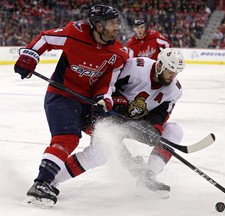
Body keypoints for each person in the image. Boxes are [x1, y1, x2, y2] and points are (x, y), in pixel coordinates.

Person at [13, 4, 128, 207]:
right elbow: (45, 38)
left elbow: (106, 83)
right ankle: (41, 183)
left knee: (104, 148)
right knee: (67, 137)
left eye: (115, 22)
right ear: (98, 25)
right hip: (61, 95)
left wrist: (103, 100)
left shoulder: (118, 53)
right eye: (111, 23)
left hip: (88, 104)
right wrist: (29, 56)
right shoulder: (74, 33)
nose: (115, 27)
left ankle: (53, 179)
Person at [53, 48, 186, 198]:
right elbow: (106, 83)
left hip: (136, 121)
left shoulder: (174, 90)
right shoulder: (136, 68)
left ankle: (148, 177)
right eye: (170, 71)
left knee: (175, 130)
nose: (172, 76)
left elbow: (161, 113)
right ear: (160, 65)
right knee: (100, 155)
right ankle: (51, 179)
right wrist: (117, 102)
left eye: (176, 73)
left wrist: (154, 129)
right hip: (107, 117)